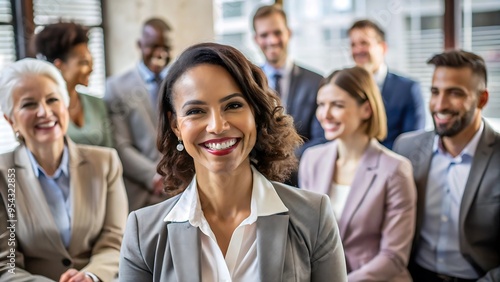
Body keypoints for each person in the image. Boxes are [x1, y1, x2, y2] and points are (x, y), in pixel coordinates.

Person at [118, 42, 347, 281]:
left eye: (233, 105)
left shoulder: (314, 217)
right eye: (196, 111)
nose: (217, 126)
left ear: (256, 113)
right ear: (175, 125)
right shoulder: (142, 232)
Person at [0, 58, 128, 281]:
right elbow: (7, 264)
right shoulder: (4, 175)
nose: (45, 112)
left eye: (52, 100)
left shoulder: (105, 162)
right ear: (11, 121)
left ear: (66, 105)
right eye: (29, 104)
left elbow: (114, 240)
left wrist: (90, 276)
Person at [299, 66, 416, 281]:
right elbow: (305, 236)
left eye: (337, 105)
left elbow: (393, 257)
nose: (325, 115)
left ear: (366, 109)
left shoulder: (396, 170)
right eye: (321, 105)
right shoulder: (311, 160)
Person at [394, 50, 500, 281]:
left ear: (482, 99)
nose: (440, 104)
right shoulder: (406, 148)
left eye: (455, 93)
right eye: (435, 92)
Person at [105, 18, 172, 211]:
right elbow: (120, 144)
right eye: (153, 46)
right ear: (140, 45)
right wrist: (154, 176)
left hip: (182, 189)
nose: (160, 52)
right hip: (140, 195)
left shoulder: (180, 83)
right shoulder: (116, 87)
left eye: (165, 46)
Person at [252, 4, 326, 158]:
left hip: (302, 171)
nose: (272, 41)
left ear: (289, 33)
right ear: (256, 39)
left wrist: (283, 159)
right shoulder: (249, 82)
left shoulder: (316, 82)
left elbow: (321, 138)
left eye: (277, 33)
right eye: (264, 35)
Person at [349, 19, 425, 149]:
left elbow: (412, 143)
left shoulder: (408, 89)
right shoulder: (344, 88)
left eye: (364, 43)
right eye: (353, 45)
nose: (357, 50)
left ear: (383, 48)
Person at [34, 22, 113, 147]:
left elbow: (110, 149)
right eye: (83, 63)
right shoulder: (43, 111)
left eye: (91, 62)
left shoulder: (97, 104)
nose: (91, 69)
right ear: (59, 66)